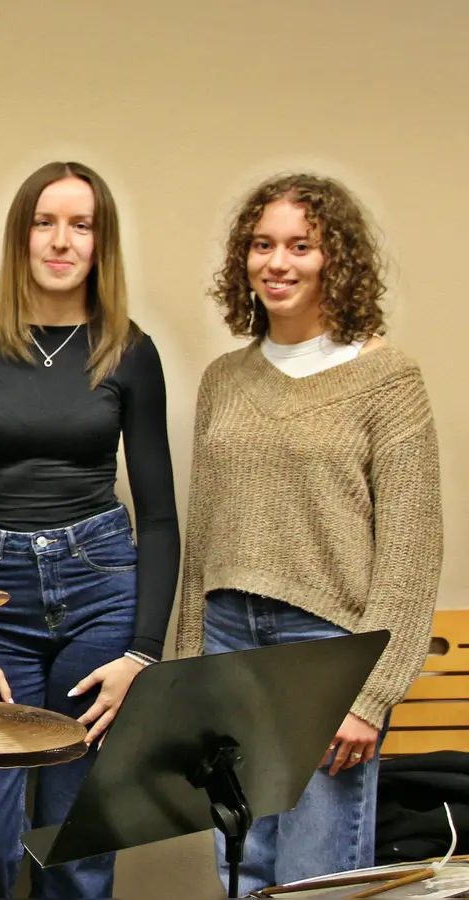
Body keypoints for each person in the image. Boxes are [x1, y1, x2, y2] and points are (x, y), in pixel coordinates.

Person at [177, 173, 442, 894]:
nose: (278, 263)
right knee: (241, 864)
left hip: (327, 650)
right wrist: (187, 673)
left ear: (336, 260)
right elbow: (203, 540)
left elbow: (412, 552)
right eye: (262, 245)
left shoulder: (389, 380)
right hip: (228, 643)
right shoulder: (224, 379)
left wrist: (370, 695)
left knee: (315, 874)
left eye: (301, 246)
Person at [0, 161, 179, 898]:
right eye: (45, 222)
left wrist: (142, 653)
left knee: (76, 842)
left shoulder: (129, 350)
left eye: (81, 225)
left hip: (100, 592)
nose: (61, 241)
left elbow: (159, 516)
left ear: (102, 243)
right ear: (22, 235)